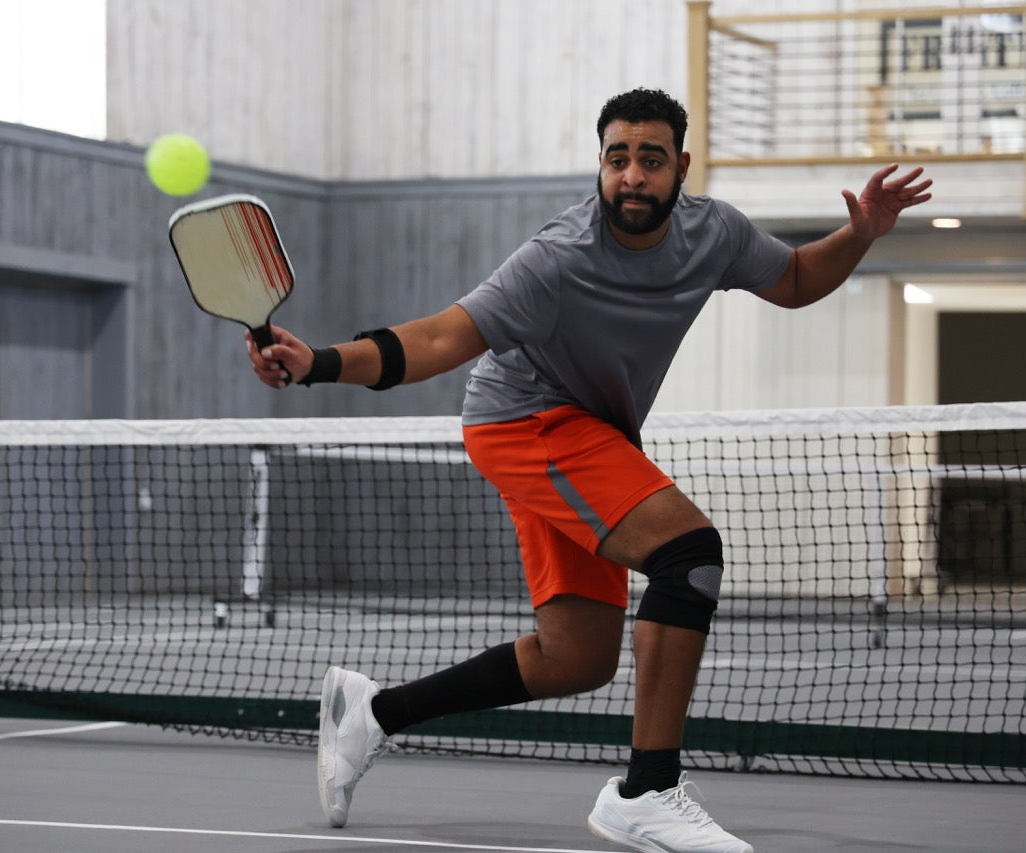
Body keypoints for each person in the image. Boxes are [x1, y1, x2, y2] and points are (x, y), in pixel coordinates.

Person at [247, 87, 932, 853]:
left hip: (593, 433)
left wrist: (862, 232)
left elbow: (799, 280)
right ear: (599, 166)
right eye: (617, 159)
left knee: (577, 657)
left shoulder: (716, 235)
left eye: (650, 159)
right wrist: (318, 365)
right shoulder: (557, 258)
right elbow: (441, 337)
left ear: (682, 168)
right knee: (689, 553)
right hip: (522, 418)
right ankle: (648, 790)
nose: (632, 176)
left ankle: (372, 712)